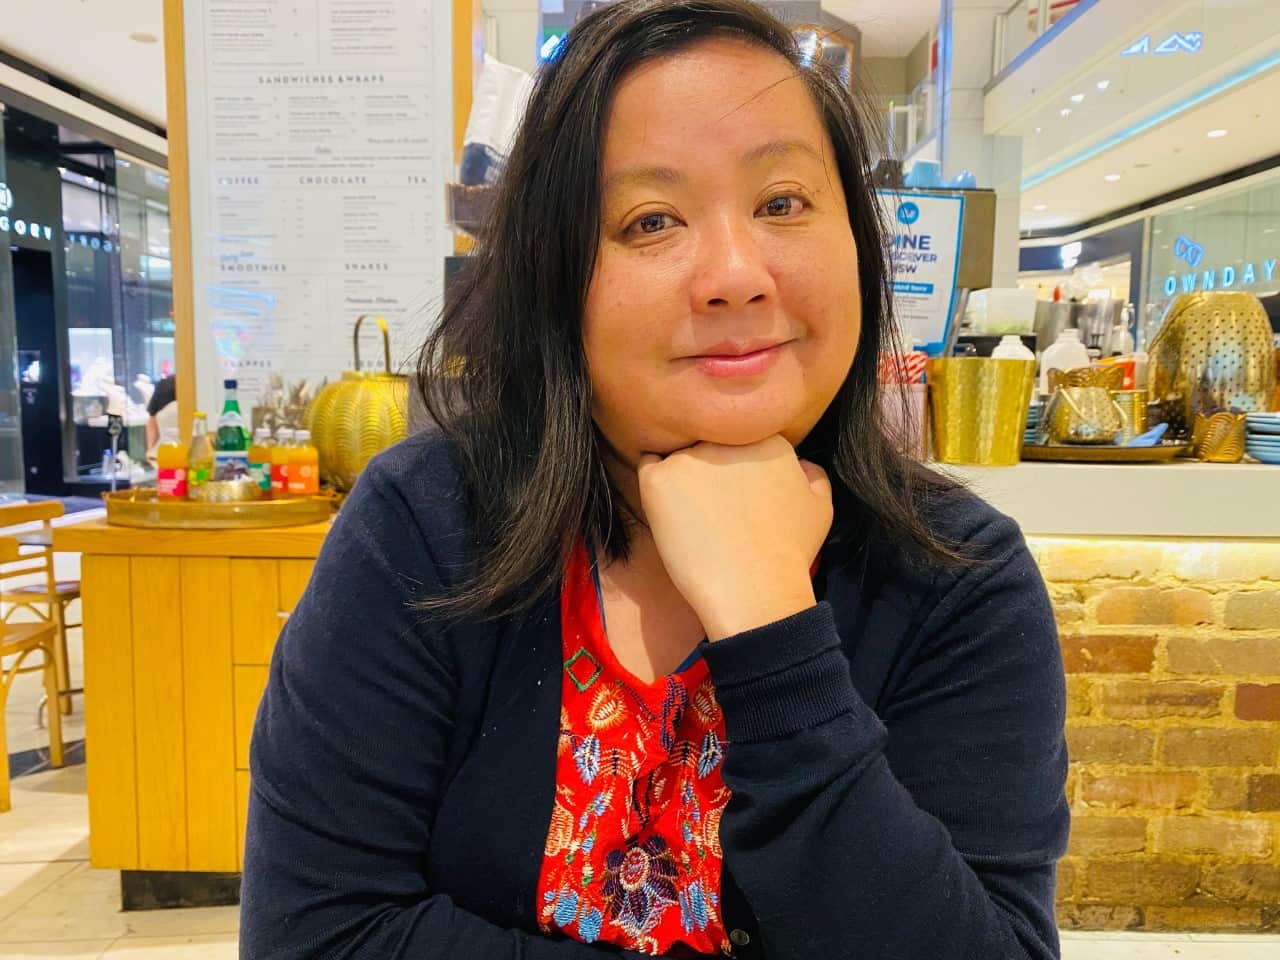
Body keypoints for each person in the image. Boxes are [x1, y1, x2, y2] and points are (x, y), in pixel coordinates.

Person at [240, 2, 1069, 958]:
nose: (735, 273)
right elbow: (318, 938)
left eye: (784, 202)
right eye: (652, 220)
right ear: (558, 280)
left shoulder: (959, 578)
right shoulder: (423, 530)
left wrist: (773, 634)